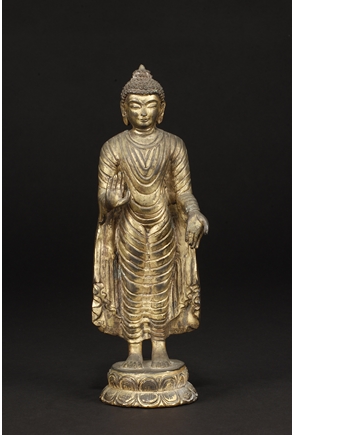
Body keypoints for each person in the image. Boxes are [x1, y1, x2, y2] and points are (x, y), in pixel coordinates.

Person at [92, 65, 209, 369]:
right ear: (124, 110)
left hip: (163, 225)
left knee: (160, 285)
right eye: (135, 105)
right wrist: (109, 201)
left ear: (162, 109)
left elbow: (183, 192)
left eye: (150, 105)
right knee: (130, 285)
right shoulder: (112, 147)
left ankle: (159, 346)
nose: (143, 112)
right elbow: (103, 196)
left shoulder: (173, 144)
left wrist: (194, 212)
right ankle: (133, 349)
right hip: (128, 225)